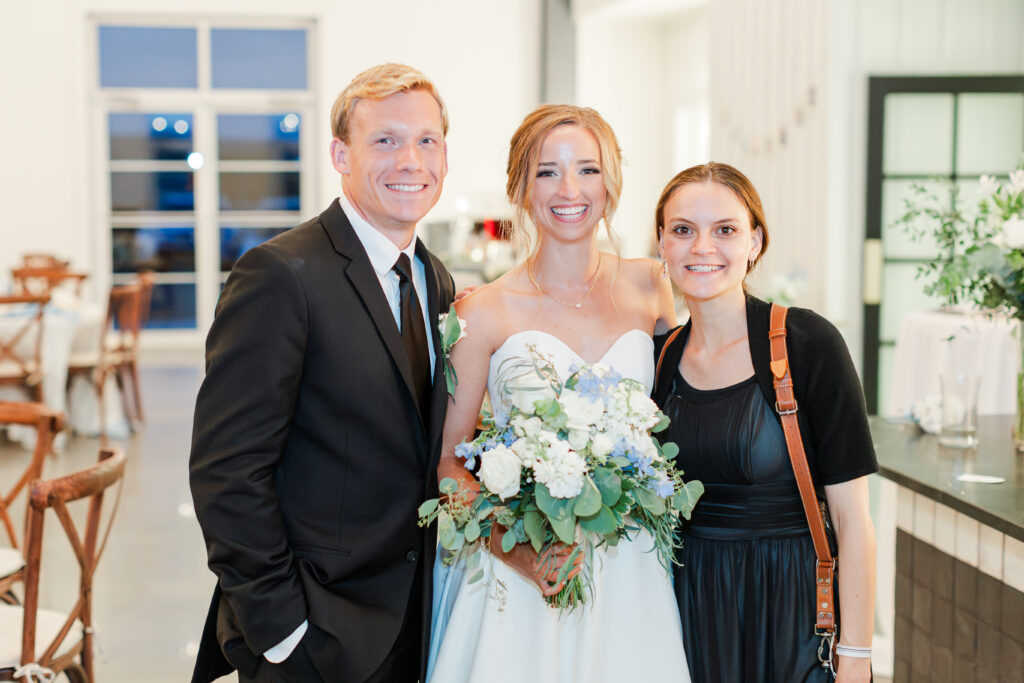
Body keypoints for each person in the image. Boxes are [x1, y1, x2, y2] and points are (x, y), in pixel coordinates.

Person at [189, 63, 456, 683]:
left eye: (426, 140)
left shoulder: (433, 277)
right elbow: (226, 471)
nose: (410, 160)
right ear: (341, 153)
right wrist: (281, 630)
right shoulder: (281, 274)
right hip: (316, 629)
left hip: (415, 621)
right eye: (384, 140)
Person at [428, 104, 689, 682]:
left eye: (588, 170)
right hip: (523, 570)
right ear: (520, 186)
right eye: (547, 171)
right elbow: (449, 461)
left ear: (611, 182)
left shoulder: (652, 284)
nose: (569, 189)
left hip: (631, 571)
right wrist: (511, 548)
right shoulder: (482, 310)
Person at [651, 162, 877, 682]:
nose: (703, 247)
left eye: (725, 230)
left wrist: (857, 657)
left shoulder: (807, 343)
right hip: (687, 609)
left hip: (791, 610)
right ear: (662, 243)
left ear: (755, 241)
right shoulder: (660, 360)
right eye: (683, 230)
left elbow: (853, 521)